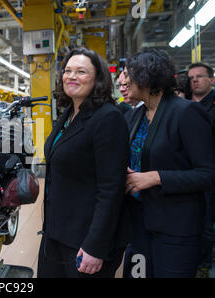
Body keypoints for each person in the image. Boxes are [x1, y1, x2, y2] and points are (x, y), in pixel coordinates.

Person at [38, 47, 130, 278]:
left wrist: (95, 246)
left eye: (81, 71)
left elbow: (111, 189)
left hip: (84, 238)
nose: (71, 76)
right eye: (67, 71)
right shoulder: (68, 113)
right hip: (55, 232)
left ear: (97, 79)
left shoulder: (108, 118)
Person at [123, 49, 215, 278]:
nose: (123, 81)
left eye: (128, 74)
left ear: (145, 76)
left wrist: (155, 177)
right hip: (139, 225)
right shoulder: (135, 116)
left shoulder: (186, 113)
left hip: (176, 229)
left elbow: (208, 173)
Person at [188, 62, 215, 278]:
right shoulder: (183, 105)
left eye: (199, 76)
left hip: (208, 172)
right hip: (187, 172)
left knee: (207, 223)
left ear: (212, 79)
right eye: (191, 77)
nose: (194, 80)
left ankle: (203, 265)